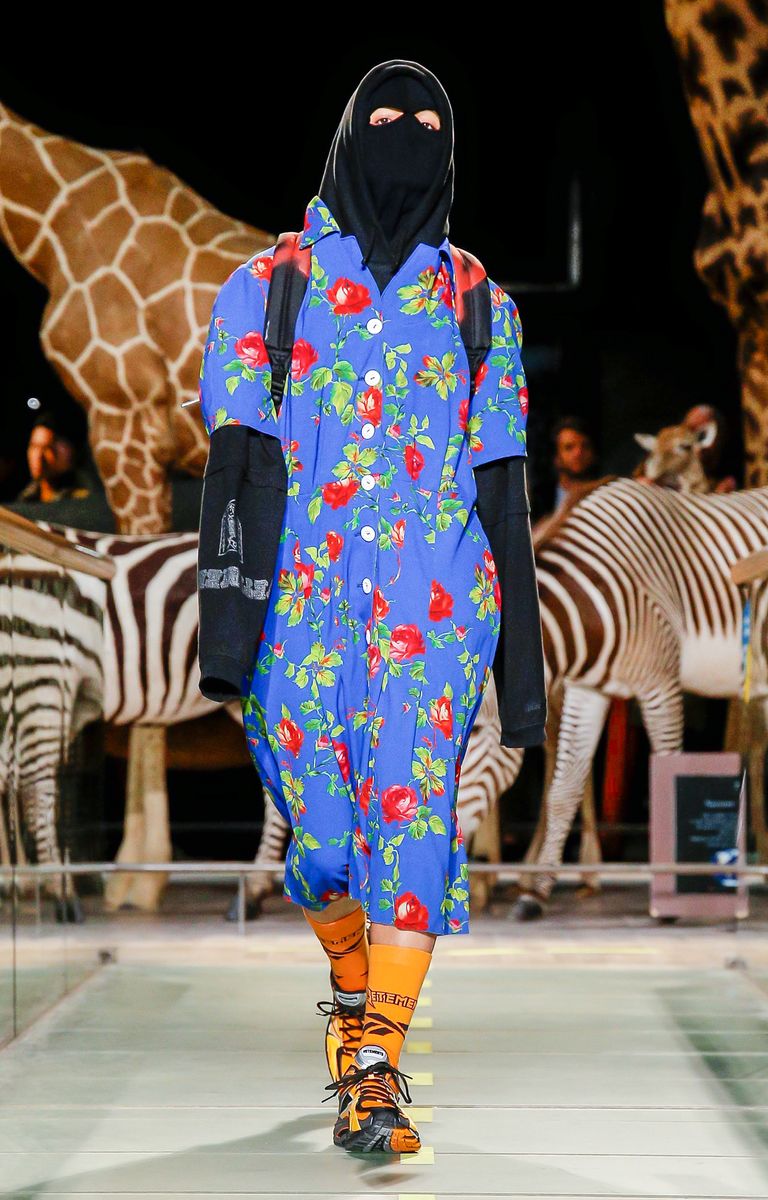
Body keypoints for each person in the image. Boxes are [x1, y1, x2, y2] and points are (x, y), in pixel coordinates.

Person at [197, 58, 547, 1154]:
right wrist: (226, 633)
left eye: (426, 121)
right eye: (384, 116)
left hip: (434, 614)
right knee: (320, 850)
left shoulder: (478, 300)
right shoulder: (265, 286)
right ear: (347, 135)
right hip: (297, 618)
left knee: (413, 829)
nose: (404, 133)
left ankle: (376, 1069)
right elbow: (233, 466)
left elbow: (503, 486)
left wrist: (519, 671)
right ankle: (350, 996)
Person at [16, 409, 92, 503]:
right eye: (34, 446)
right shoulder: (27, 498)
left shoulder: (83, 500)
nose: (39, 456)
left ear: (71, 453)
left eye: (48, 448)